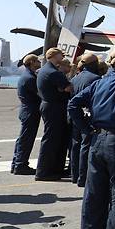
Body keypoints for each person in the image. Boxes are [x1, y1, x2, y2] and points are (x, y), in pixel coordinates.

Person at [67, 55, 115, 229]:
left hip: (97, 140)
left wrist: (86, 129)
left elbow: (73, 104)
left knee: (94, 194)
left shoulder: (99, 83)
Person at [35, 47, 72, 181]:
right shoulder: (53, 72)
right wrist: (64, 88)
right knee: (51, 140)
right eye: (60, 55)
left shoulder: (44, 70)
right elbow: (68, 87)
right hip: (54, 107)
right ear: (54, 56)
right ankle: (44, 172)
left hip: (48, 106)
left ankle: (50, 170)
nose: (62, 57)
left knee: (53, 138)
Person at [69, 53, 102, 186]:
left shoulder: (75, 78)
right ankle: (82, 178)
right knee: (86, 145)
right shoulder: (96, 79)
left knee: (75, 145)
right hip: (87, 115)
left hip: (74, 114)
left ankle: (74, 174)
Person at [11, 54, 42, 175]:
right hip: (30, 111)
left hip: (26, 110)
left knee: (23, 138)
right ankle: (21, 165)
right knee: (26, 139)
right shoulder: (30, 78)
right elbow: (40, 94)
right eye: (37, 61)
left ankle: (17, 163)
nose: (39, 62)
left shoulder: (26, 76)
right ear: (32, 62)